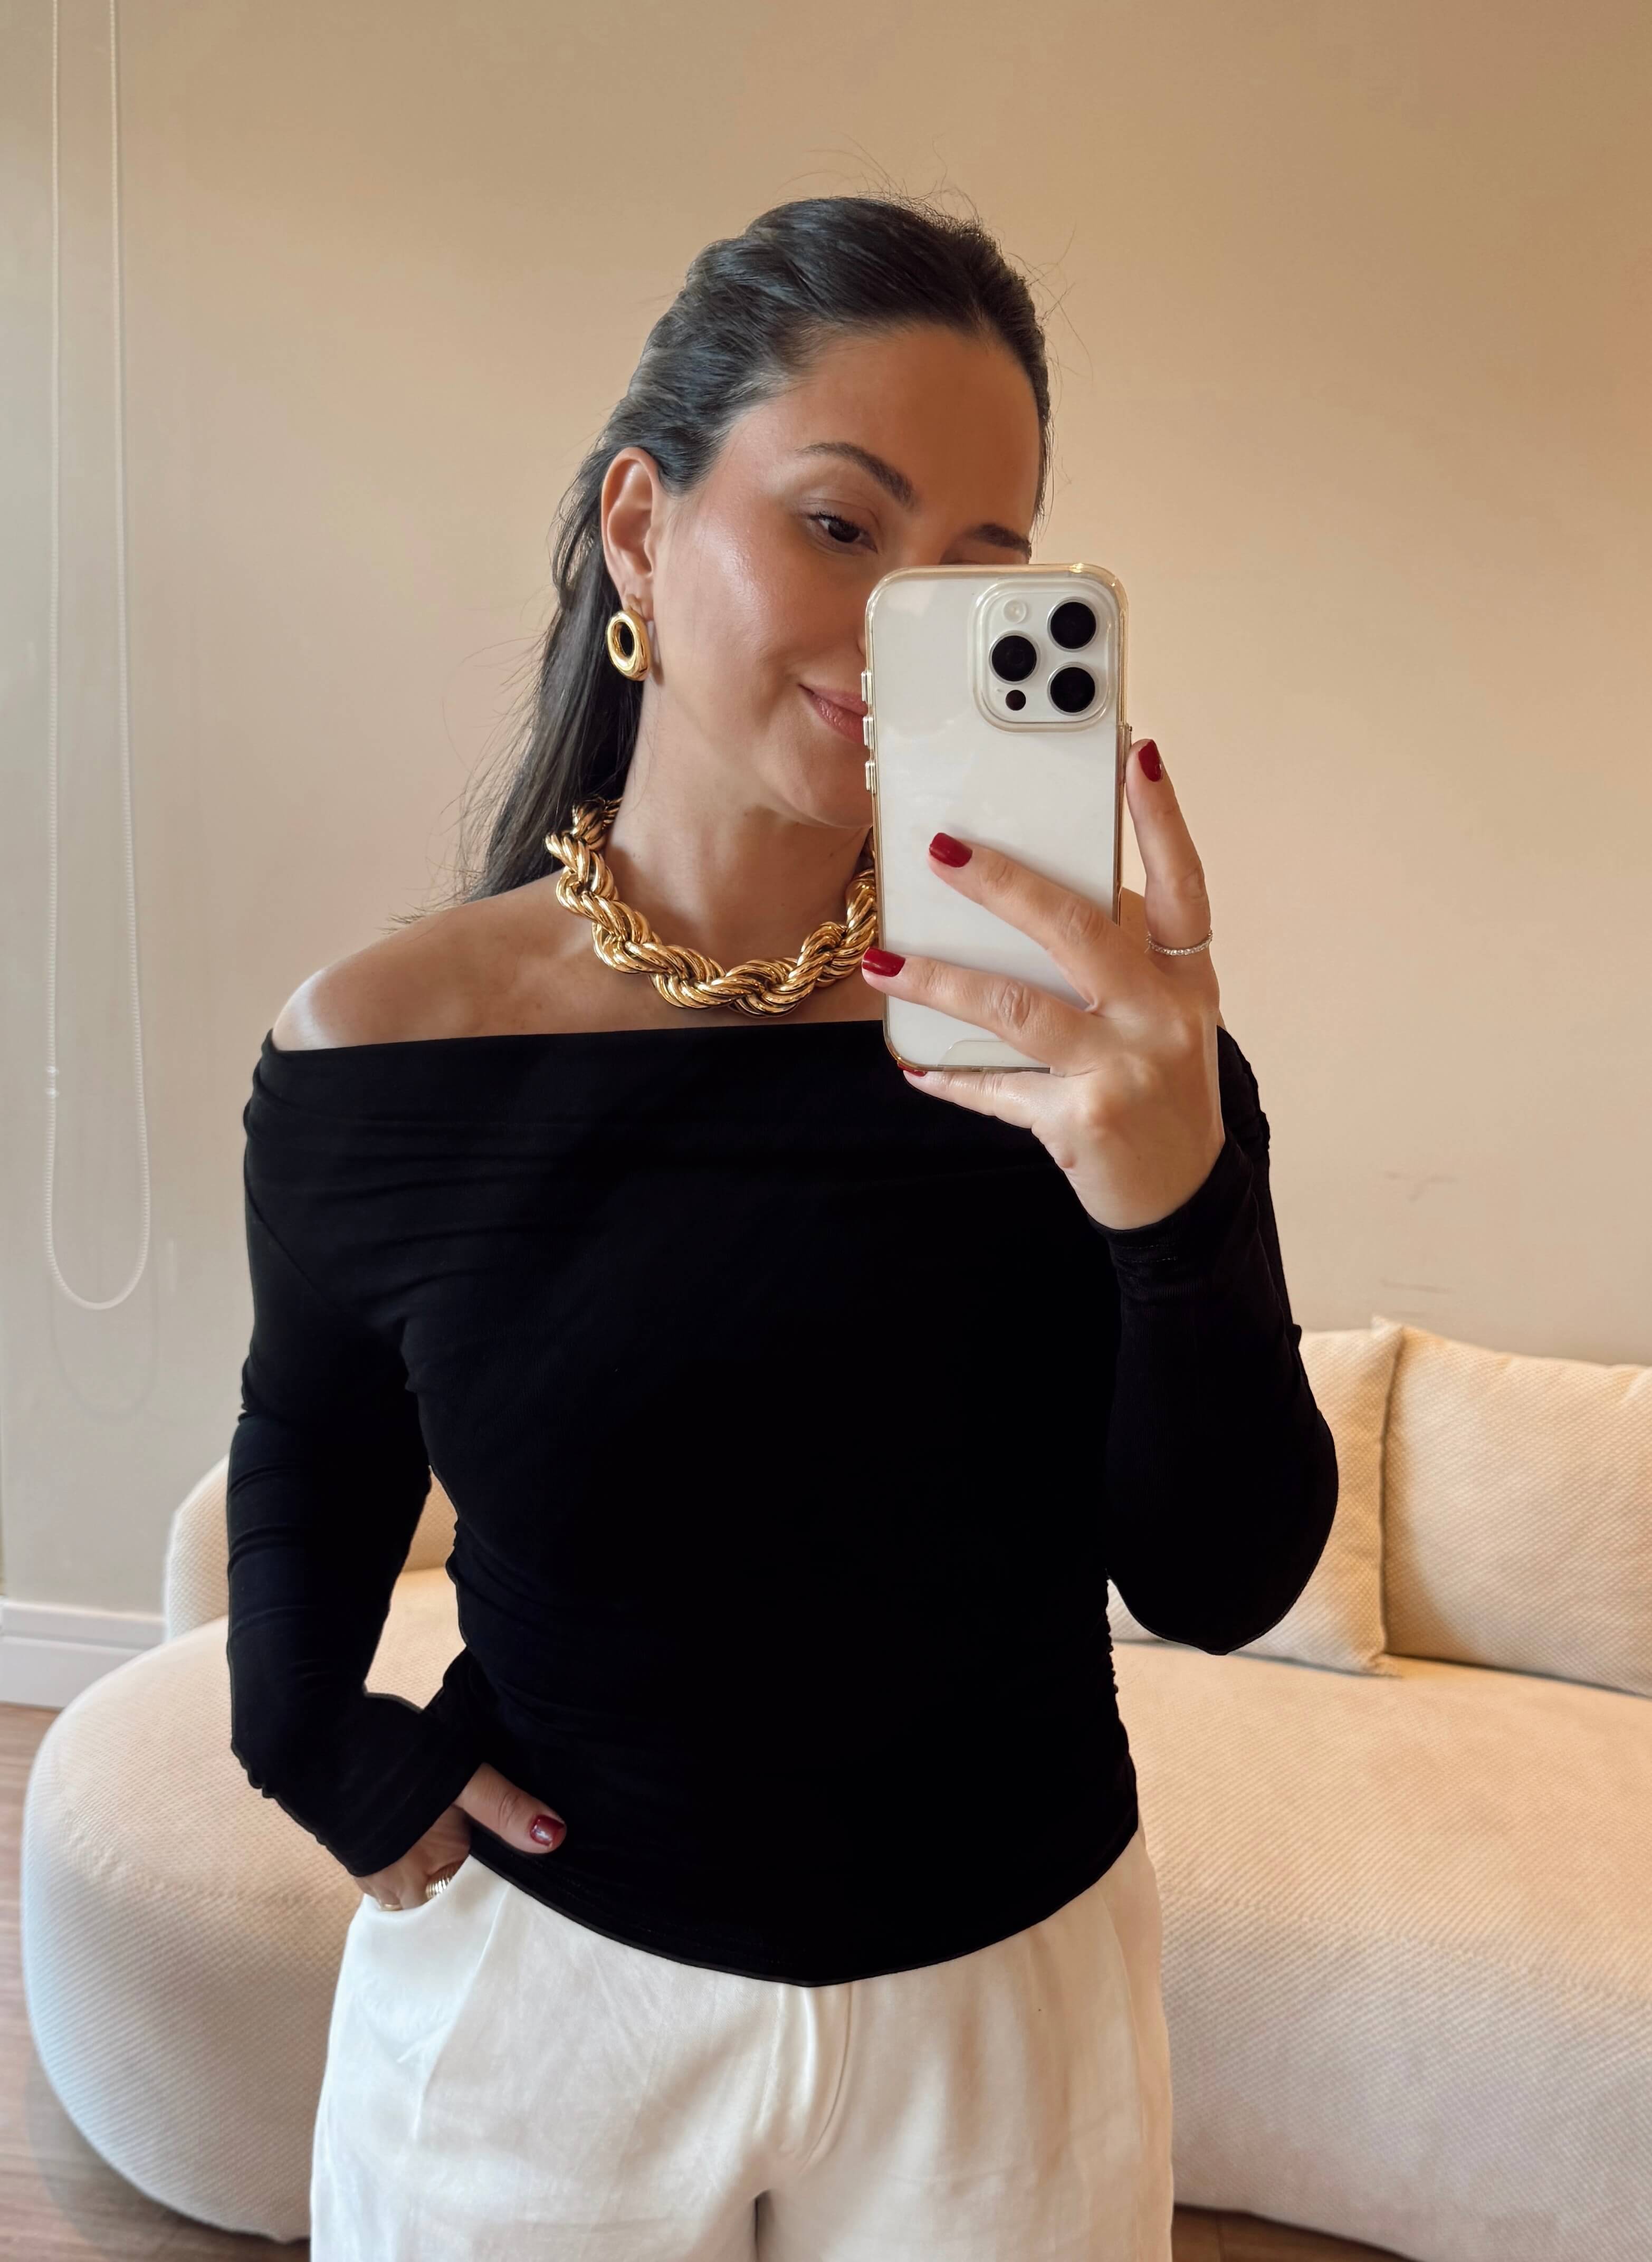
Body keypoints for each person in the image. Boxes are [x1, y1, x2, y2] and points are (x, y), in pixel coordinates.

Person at [225, 193, 1338, 2262]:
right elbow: (312, 1427)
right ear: (641, 529)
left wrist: (1177, 1201)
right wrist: (297, 1726)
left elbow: (1217, 1578)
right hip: (539, 2023)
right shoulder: (383, 1049)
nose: (902, 627)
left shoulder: (1091, 1055)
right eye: (840, 525)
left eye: (979, 578)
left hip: (1005, 2025)